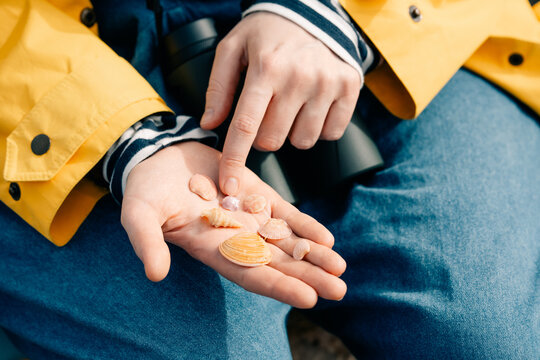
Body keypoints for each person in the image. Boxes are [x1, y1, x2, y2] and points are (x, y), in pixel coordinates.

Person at [0, 0, 538, 359]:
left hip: (405, 38)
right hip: (58, 89)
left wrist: (334, 16)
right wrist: (119, 134)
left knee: (486, 336)